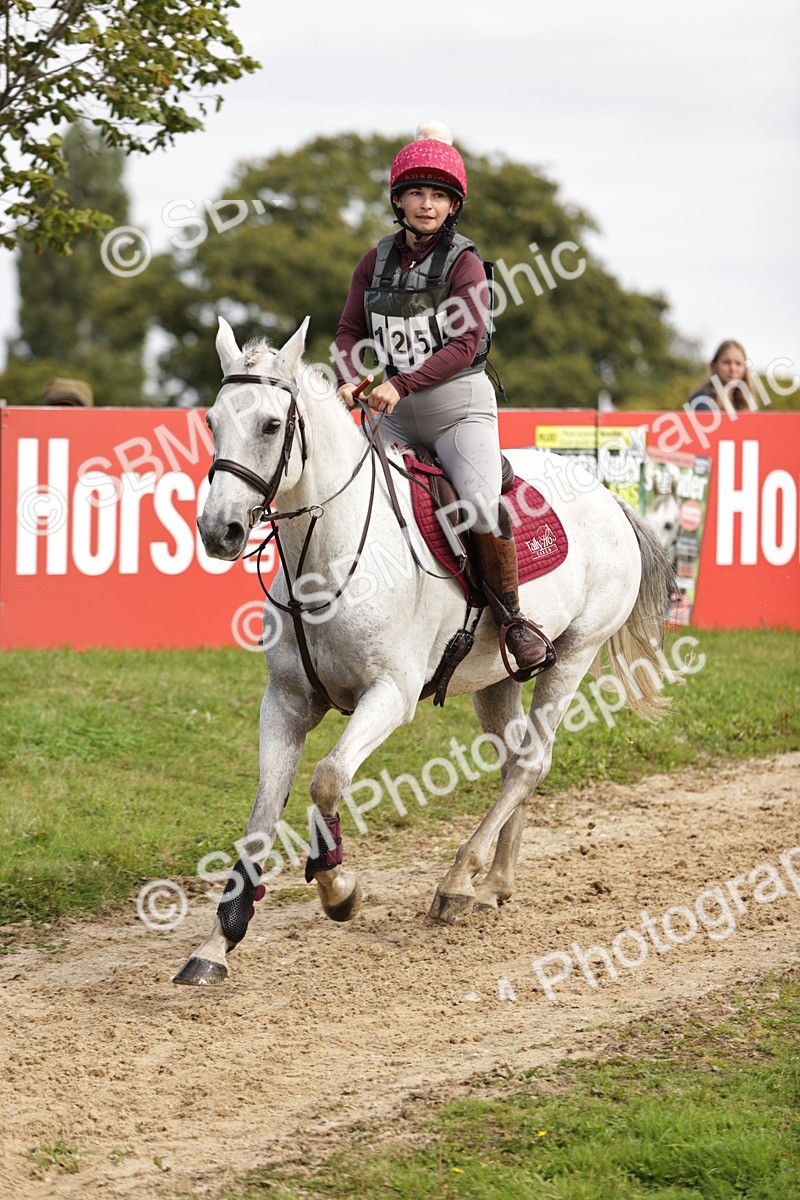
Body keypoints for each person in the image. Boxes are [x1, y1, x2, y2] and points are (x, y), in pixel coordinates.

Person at [334, 120, 547, 671]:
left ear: (453, 206)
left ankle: (514, 621)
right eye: (416, 193)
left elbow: (464, 344)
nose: (426, 204)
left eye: (438, 195)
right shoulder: (373, 261)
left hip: (458, 411)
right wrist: (347, 377)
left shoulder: (464, 263)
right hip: (393, 415)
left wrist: (399, 383)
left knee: (478, 505)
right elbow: (350, 330)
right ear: (399, 200)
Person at [688, 340, 754, 413]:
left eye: (738, 363)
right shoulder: (703, 399)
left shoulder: (741, 401)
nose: (733, 368)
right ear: (715, 365)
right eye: (727, 362)